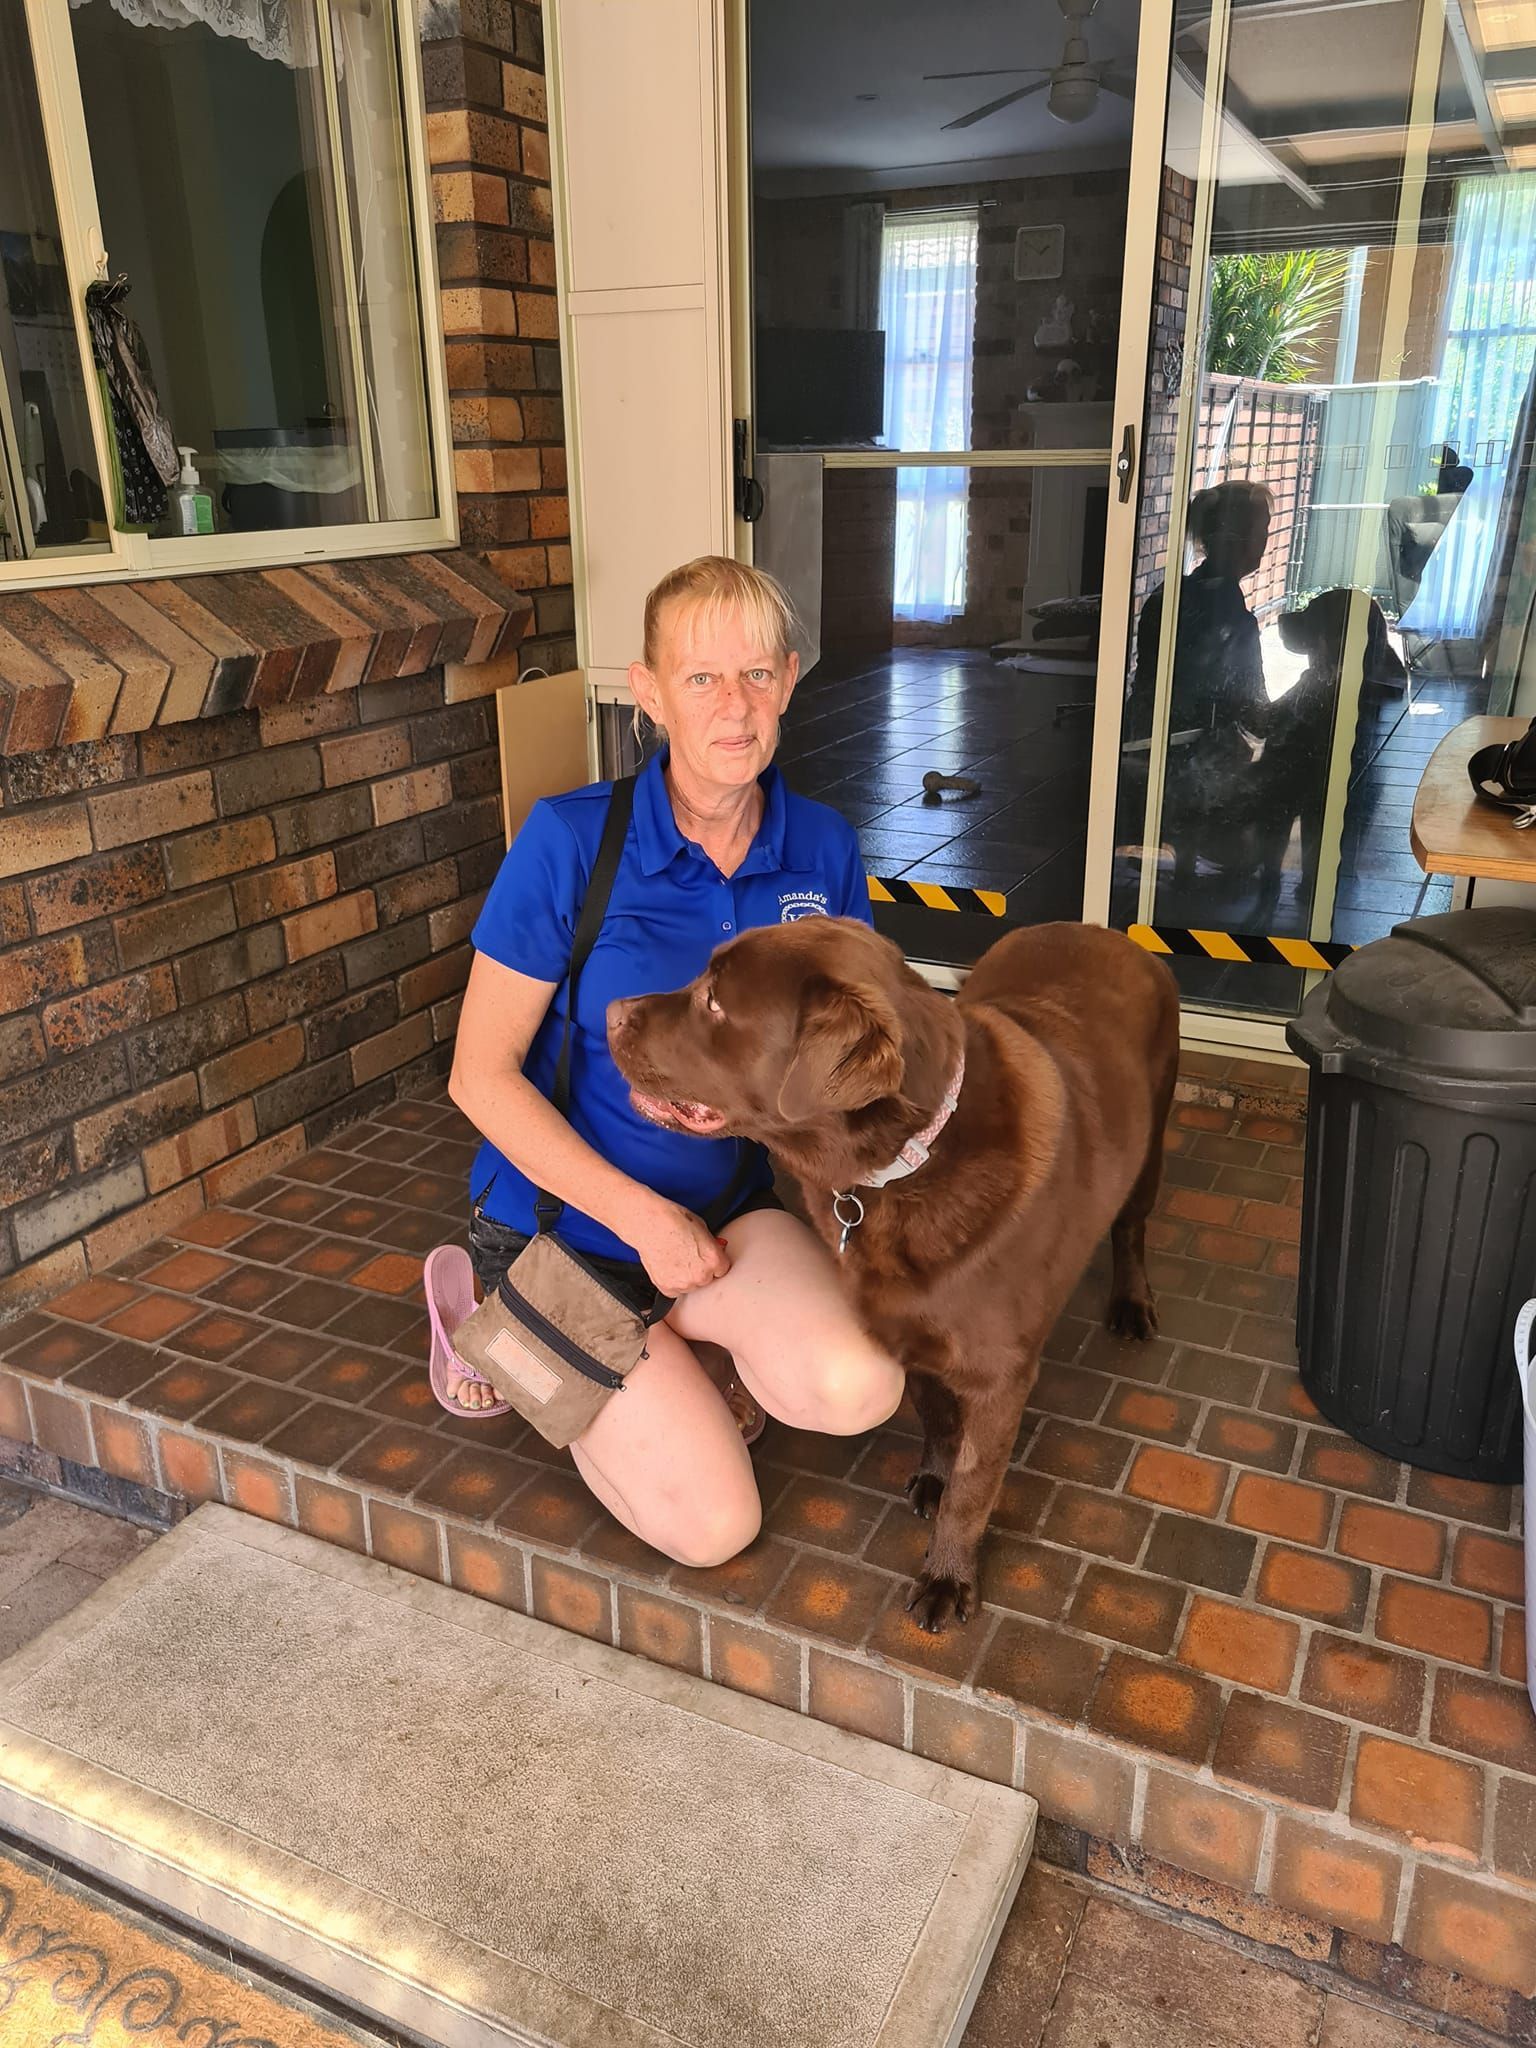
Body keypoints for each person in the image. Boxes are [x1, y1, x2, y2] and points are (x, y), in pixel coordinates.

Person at [434, 556, 906, 1568]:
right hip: (558, 1227)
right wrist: (642, 1219)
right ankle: (491, 1318)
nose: (732, 707)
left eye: (755, 675)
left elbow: (837, 1058)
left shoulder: (820, 847)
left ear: (787, 680)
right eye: (700, 678)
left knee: (859, 1386)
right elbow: (479, 1074)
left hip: (721, 1217)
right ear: (647, 691)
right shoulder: (569, 841)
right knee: (712, 1525)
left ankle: (666, 1348)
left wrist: (759, 1120)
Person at [1125, 479, 1273, 884]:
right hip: (1189, 755)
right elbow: (1254, 709)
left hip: (1146, 733)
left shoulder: (1169, 593)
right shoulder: (1231, 618)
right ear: (1235, 540)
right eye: (1261, 533)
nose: (1265, 542)